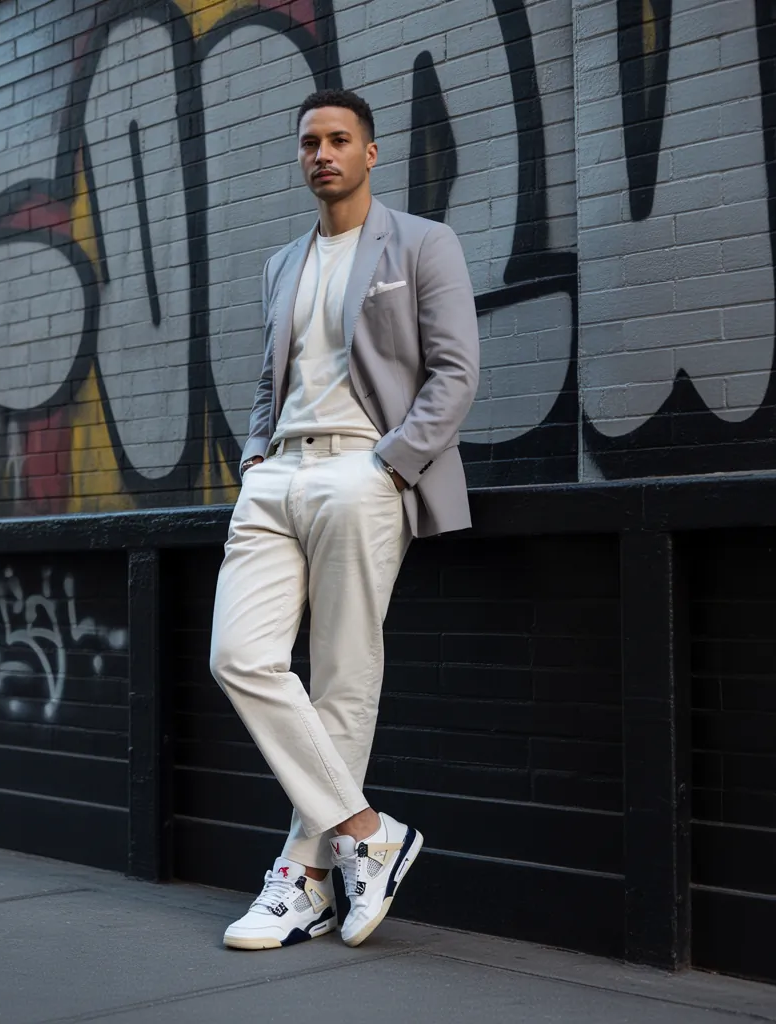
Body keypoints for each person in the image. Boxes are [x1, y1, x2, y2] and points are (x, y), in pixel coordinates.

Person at [209, 88, 480, 950]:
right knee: (239, 656)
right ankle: (369, 833)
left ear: (370, 152)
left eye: (338, 139)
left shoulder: (423, 244)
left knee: (342, 679)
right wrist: (254, 457)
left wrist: (389, 466)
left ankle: (303, 877)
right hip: (276, 478)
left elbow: (455, 373)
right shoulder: (282, 263)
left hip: (363, 470)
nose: (322, 153)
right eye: (309, 143)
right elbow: (269, 379)